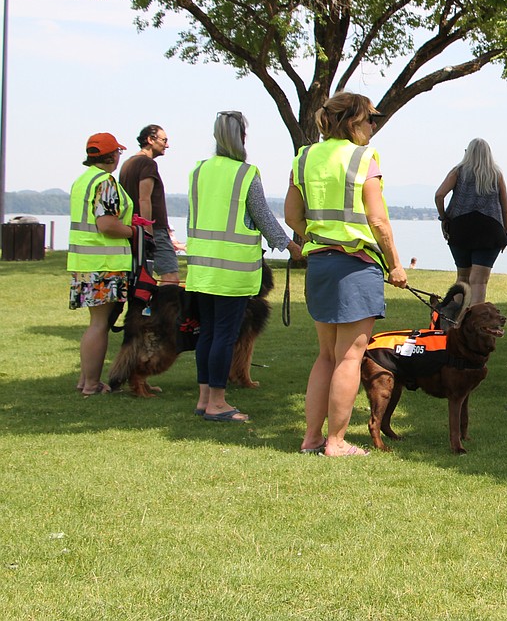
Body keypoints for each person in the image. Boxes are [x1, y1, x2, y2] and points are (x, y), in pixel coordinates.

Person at [286, 92, 408, 456]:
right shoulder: (363, 158)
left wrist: (319, 236)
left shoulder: (305, 157)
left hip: (320, 264)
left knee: (325, 355)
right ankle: (336, 442)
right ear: (353, 119)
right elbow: (377, 220)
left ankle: (311, 438)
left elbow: (292, 216)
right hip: (356, 264)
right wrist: (395, 264)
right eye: (371, 118)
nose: (375, 125)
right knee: (349, 357)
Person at [187, 111, 301, 423]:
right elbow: (263, 216)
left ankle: (204, 399)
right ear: (242, 138)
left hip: (200, 268)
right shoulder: (245, 173)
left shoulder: (198, 171)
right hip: (232, 271)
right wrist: (291, 246)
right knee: (225, 334)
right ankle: (218, 403)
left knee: (208, 333)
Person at [68, 132, 135, 396]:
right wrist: (132, 231)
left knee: (95, 323)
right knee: (100, 324)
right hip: (104, 264)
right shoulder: (105, 181)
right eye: (118, 152)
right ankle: (92, 385)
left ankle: (85, 380)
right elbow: (106, 224)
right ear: (112, 155)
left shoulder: (82, 180)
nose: (120, 156)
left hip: (85, 263)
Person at [435, 138, 507, 306]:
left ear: (468, 153)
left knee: (462, 278)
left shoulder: (458, 171)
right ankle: (475, 322)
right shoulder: (496, 175)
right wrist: (504, 233)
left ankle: (456, 320)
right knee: (480, 282)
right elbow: (506, 210)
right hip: (490, 231)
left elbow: (439, 195)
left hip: (461, 228)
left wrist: (444, 217)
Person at [118, 124, 180, 285]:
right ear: (150, 140)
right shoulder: (147, 164)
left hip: (132, 229)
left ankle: (145, 309)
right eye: (164, 140)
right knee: (170, 277)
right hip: (152, 230)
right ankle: (163, 310)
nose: (167, 145)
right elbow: (144, 199)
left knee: (142, 277)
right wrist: (149, 234)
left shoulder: (127, 164)